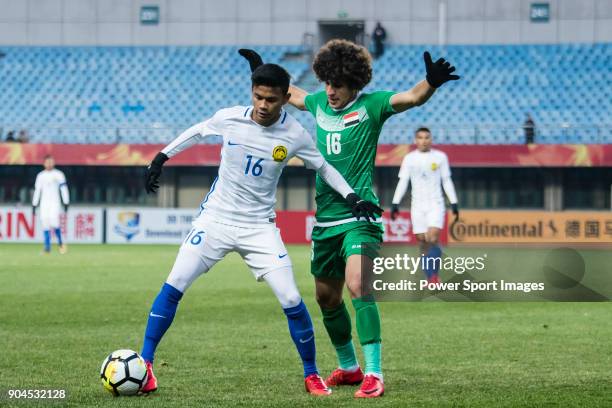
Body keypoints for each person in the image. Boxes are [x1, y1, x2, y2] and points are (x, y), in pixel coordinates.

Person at [139, 63, 381, 396]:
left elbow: (323, 166)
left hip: (259, 228)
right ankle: (145, 365)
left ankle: (311, 375)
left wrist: (351, 196)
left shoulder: (294, 133)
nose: (263, 105)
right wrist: (162, 157)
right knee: (175, 282)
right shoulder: (230, 117)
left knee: (292, 298)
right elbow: (198, 130)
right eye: (258, 97)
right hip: (215, 221)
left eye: (271, 99)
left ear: (285, 97)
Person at [239, 40, 459, 398]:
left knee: (359, 285)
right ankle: (349, 367)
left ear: (355, 84)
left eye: (338, 85)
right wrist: (262, 72)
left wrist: (430, 83)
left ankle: (374, 373)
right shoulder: (319, 103)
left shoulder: (372, 106)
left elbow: (410, 99)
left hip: (361, 216)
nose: (330, 91)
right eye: (327, 83)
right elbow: (291, 94)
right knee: (326, 298)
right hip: (326, 219)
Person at [390, 127, 459, 284]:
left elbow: (446, 180)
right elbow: (403, 181)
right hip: (417, 205)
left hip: (436, 203)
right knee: (422, 241)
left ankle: (434, 276)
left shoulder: (440, 157)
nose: (423, 140)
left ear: (431, 140)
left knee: (433, 237)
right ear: (415, 140)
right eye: (420, 137)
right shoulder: (409, 158)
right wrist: (395, 202)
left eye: (427, 137)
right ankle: (430, 276)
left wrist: (453, 201)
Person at [32, 155, 69, 254]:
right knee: (45, 224)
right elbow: (37, 191)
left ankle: (61, 244)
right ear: (44, 163)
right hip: (44, 203)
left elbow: (63, 188)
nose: (49, 164)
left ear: (53, 163)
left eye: (51, 162)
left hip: (55, 202)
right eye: (47, 162)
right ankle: (47, 247)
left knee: (54, 222)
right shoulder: (40, 176)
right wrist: (34, 204)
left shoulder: (58, 174)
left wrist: (66, 202)